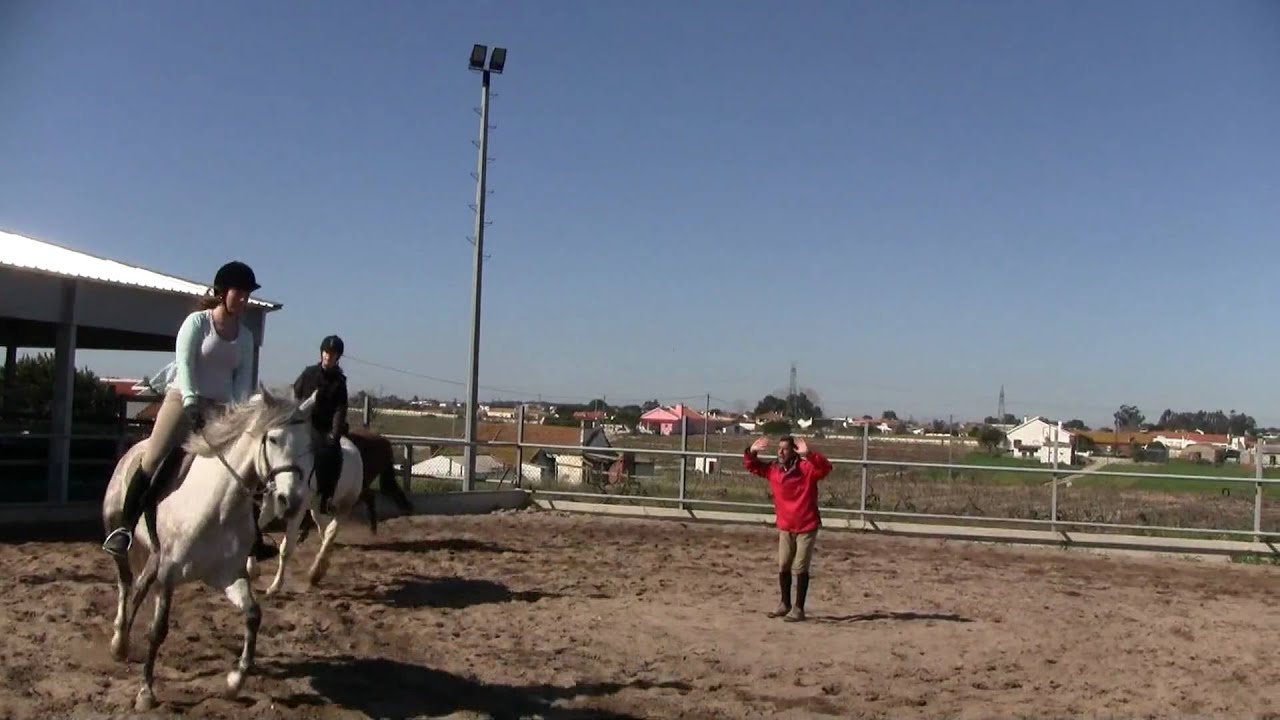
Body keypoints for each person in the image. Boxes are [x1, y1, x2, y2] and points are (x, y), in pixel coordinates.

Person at [102, 261, 278, 562]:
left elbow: (242, 381)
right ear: (223, 292)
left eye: (247, 295)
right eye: (240, 293)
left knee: (241, 465)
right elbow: (184, 367)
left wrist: (236, 416)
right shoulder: (197, 323)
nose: (244, 300)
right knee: (154, 458)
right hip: (182, 399)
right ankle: (125, 529)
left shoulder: (246, 336)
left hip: (221, 408)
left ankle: (252, 538)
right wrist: (191, 403)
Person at [743, 434, 833, 622]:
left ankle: (798, 609)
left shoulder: (806, 469)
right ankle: (785, 604)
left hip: (806, 525)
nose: (780, 452)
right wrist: (751, 452)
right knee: (783, 564)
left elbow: (825, 468)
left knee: (800, 566)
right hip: (786, 526)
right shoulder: (774, 470)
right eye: (779, 448)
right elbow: (753, 466)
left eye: (785, 448)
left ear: (794, 451)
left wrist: (810, 454)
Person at [292, 334, 349, 514]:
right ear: (321, 353)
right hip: (301, 423)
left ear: (337, 357)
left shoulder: (339, 382)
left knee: (335, 454)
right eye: (326, 352)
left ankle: (326, 496)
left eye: (332, 354)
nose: (328, 356)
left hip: (322, 428)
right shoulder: (308, 373)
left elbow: (340, 409)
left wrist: (335, 434)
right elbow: (294, 394)